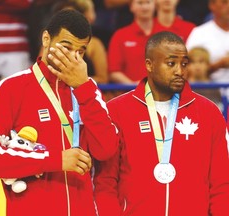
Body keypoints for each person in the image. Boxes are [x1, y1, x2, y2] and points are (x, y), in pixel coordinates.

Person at [0, 9, 118, 216]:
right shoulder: (11, 88)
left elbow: (107, 149)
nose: (72, 58)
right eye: (66, 47)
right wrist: (56, 160)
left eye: (81, 51)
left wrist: (83, 88)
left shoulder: (88, 89)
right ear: (46, 38)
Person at [93, 31, 229, 215]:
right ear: (149, 64)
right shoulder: (117, 111)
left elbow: (222, 183)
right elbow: (106, 182)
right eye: (171, 63)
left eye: (184, 64)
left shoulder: (208, 113)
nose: (179, 71)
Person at [53, 0, 108, 84]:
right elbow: (42, 70)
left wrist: (78, 80)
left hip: (82, 91)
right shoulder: (51, 41)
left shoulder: (94, 44)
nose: (67, 22)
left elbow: (103, 79)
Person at [107, 0, 161, 84]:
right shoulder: (120, 36)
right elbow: (114, 71)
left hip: (163, 93)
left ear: (155, 5)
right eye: (140, 3)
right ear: (131, 7)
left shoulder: (165, 34)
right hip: (131, 92)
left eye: (148, 2)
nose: (145, 7)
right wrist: (135, 87)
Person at [186, 0, 229, 86]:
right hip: (209, 95)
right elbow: (185, 70)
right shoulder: (199, 34)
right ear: (212, 5)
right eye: (224, 2)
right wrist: (217, 65)